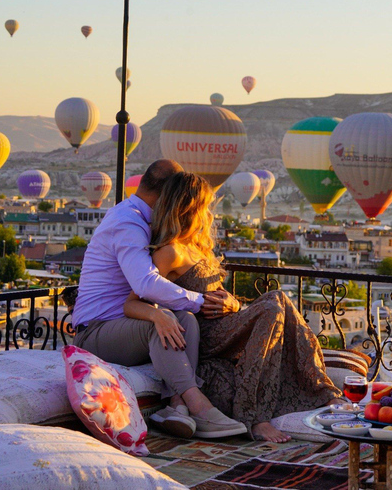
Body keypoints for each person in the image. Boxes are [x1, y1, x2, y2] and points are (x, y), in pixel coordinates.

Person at [124, 172, 344, 442]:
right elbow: (132, 303)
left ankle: (322, 389)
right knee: (275, 300)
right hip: (205, 335)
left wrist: (233, 302)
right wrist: (157, 316)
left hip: (225, 327)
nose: (208, 214)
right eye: (204, 207)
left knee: (280, 301)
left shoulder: (198, 248)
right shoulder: (170, 252)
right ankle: (255, 416)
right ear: (187, 209)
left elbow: (219, 295)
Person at [72, 160, 247, 439]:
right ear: (168, 194)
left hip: (125, 322)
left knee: (185, 321)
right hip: (96, 330)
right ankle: (199, 405)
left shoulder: (143, 219)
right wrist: (203, 301)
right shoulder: (128, 222)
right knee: (162, 323)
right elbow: (145, 283)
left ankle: (175, 407)